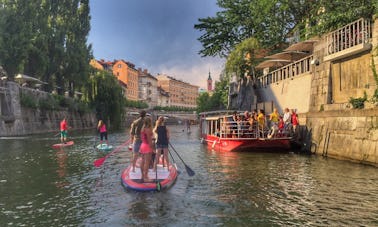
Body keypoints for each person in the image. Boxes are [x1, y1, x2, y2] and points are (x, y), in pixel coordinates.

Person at [139, 117, 154, 182]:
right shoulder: (148, 129)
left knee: (143, 161)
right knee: (147, 162)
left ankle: (143, 176)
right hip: (147, 146)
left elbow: (143, 138)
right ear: (149, 122)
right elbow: (149, 140)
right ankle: (145, 178)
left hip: (142, 145)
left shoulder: (143, 129)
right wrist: (153, 148)